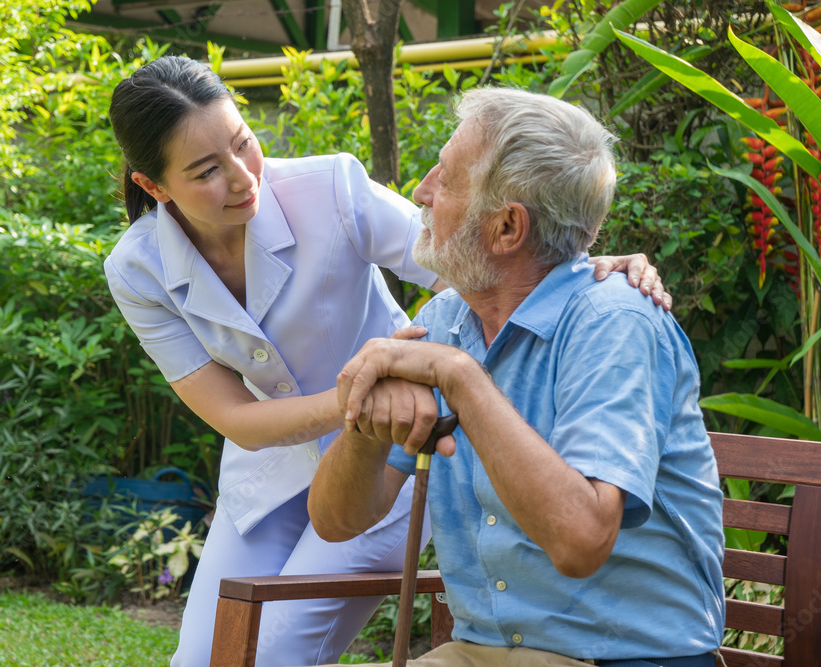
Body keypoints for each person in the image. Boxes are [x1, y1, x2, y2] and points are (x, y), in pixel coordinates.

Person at [103, 56, 671, 667]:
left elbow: (482, 259)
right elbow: (236, 418)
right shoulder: (138, 268)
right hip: (269, 468)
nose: (244, 178)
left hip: (384, 458)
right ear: (154, 187)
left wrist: (592, 265)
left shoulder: (331, 189)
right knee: (199, 660)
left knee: (271, 658)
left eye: (244, 143)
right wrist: (363, 390)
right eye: (208, 171)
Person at [308, 87, 724, 667]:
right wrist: (362, 418)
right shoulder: (445, 321)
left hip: (625, 657)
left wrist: (459, 378)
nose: (421, 192)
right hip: (481, 652)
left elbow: (580, 541)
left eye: (446, 179)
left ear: (507, 228)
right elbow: (334, 521)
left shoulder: (615, 324)